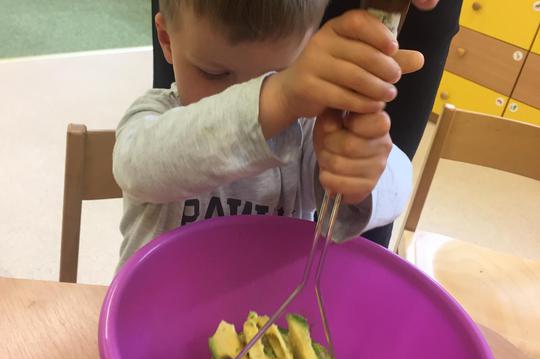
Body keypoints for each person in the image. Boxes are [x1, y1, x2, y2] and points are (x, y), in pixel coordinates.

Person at [113, 0, 425, 267]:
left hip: (268, 321)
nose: (238, 93)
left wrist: (363, 170)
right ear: (167, 39)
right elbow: (139, 168)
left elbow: (396, 184)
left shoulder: (306, 131)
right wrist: (278, 96)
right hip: (151, 324)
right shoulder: (152, 119)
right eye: (214, 73)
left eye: (277, 75)